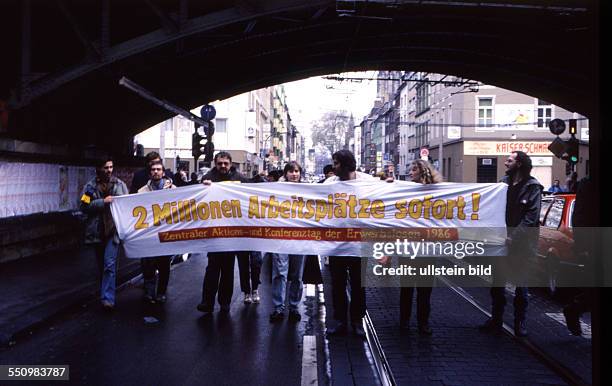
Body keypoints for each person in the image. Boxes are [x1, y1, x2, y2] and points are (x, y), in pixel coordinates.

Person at [324, 150, 391, 337]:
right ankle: (340, 321)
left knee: (358, 285)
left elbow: (386, 197)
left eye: (336, 163)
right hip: (337, 244)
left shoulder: (367, 182)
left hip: (360, 244)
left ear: (346, 165)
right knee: (337, 285)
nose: (333, 167)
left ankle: (357, 321)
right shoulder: (329, 184)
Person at [479, 151, 542, 337]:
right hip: (500, 243)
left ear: (520, 164)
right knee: (497, 284)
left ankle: (519, 322)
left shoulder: (533, 187)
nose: (506, 162)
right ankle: (496, 319)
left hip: (522, 245)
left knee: (521, 286)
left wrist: (513, 236)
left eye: (510, 160)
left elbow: (531, 217)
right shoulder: (502, 184)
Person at [197, 152, 250, 315]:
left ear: (231, 163)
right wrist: (201, 185)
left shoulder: (239, 178)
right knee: (212, 268)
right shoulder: (208, 177)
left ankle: (225, 302)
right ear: (215, 163)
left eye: (226, 163)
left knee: (227, 269)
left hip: (232, 232)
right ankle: (207, 302)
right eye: (220, 163)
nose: (223, 166)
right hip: (214, 231)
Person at [399, 160, 442, 335]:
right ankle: (405, 321)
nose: (410, 172)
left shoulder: (439, 192)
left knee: (424, 290)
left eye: (414, 169)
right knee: (406, 289)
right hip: (408, 248)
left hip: (427, 249)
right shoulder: (404, 190)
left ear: (423, 171)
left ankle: (422, 322)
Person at [79, 158, 128, 310]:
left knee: (109, 265)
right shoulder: (90, 187)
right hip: (97, 232)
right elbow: (83, 205)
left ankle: (108, 299)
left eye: (111, 167)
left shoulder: (120, 185)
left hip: (113, 231)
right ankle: (105, 291)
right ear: (99, 168)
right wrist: (102, 202)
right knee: (102, 266)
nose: (109, 170)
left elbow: (127, 205)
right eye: (106, 167)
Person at [269, 161, 306, 322]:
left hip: (300, 238)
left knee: (297, 275)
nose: (294, 174)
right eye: (291, 171)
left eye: (297, 171)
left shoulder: (309, 190)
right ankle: (278, 308)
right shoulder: (275, 189)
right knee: (279, 274)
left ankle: (293, 307)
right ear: (285, 174)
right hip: (280, 237)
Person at [137, 160, 175, 304]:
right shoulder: (142, 192)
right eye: (153, 169)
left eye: (159, 169)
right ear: (150, 173)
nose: (156, 172)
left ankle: (161, 292)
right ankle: (149, 292)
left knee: (164, 265)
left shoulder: (173, 189)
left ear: (163, 173)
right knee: (148, 264)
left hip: (166, 233)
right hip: (149, 234)